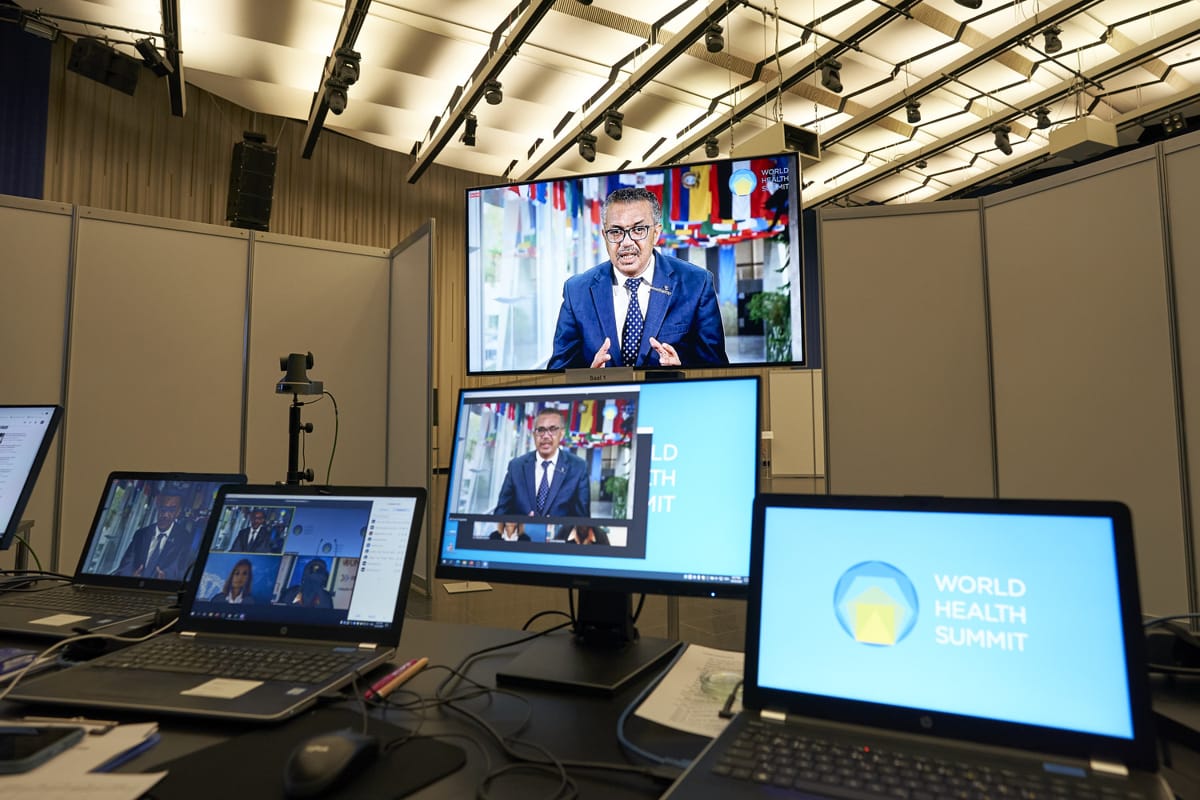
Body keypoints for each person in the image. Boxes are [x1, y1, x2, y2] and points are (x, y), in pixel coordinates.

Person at [548, 187, 729, 369]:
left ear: (656, 233)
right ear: (604, 236)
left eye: (638, 230)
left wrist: (683, 375)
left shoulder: (696, 284)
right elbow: (557, 373)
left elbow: (717, 371)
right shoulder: (577, 291)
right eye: (616, 232)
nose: (626, 242)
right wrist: (587, 377)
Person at [494, 408, 590, 518]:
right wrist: (521, 523)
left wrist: (557, 525)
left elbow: (583, 520)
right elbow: (500, 513)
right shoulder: (516, 466)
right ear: (534, 434)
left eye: (552, 429)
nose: (545, 436)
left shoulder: (578, 468)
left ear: (562, 434)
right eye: (540, 430)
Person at [115, 492, 192, 580]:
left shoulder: (184, 538)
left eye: (171, 510)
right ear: (158, 507)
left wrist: (166, 580)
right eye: (163, 509)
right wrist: (131, 577)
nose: (165, 515)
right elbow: (125, 566)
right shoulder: (140, 534)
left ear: (178, 512)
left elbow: (181, 571)